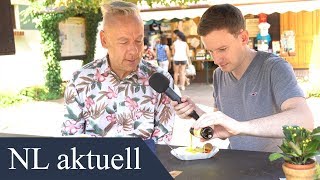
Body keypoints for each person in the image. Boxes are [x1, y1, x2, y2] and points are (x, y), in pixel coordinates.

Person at [171, 4, 314, 152]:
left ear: (244, 38)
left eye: (222, 49)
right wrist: (196, 112)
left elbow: (304, 120)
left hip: (276, 168)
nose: (216, 60)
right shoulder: (219, 74)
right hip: (238, 165)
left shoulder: (274, 67)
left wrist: (240, 127)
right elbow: (224, 130)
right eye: (211, 51)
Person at [61, 1, 175, 151]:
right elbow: (70, 140)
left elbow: (163, 144)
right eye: (124, 42)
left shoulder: (160, 80)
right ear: (104, 40)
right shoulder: (80, 81)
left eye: (138, 41)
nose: (133, 51)